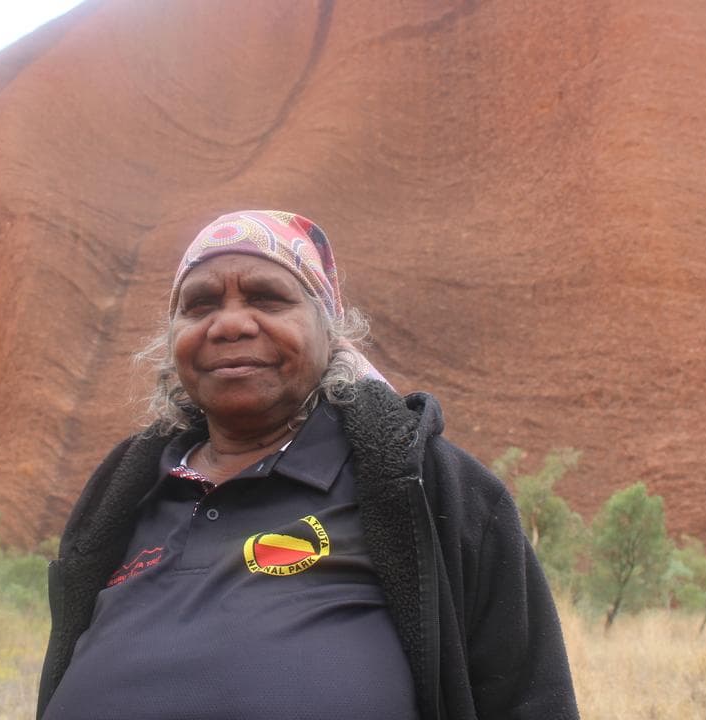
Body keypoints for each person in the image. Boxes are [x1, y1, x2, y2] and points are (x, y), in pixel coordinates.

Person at [37, 210, 579, 720]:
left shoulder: (428, 488)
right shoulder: (126, 494)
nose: (229, 325)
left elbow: (528, 700)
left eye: (268, 298)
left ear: (330, 330)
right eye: (199, 305)